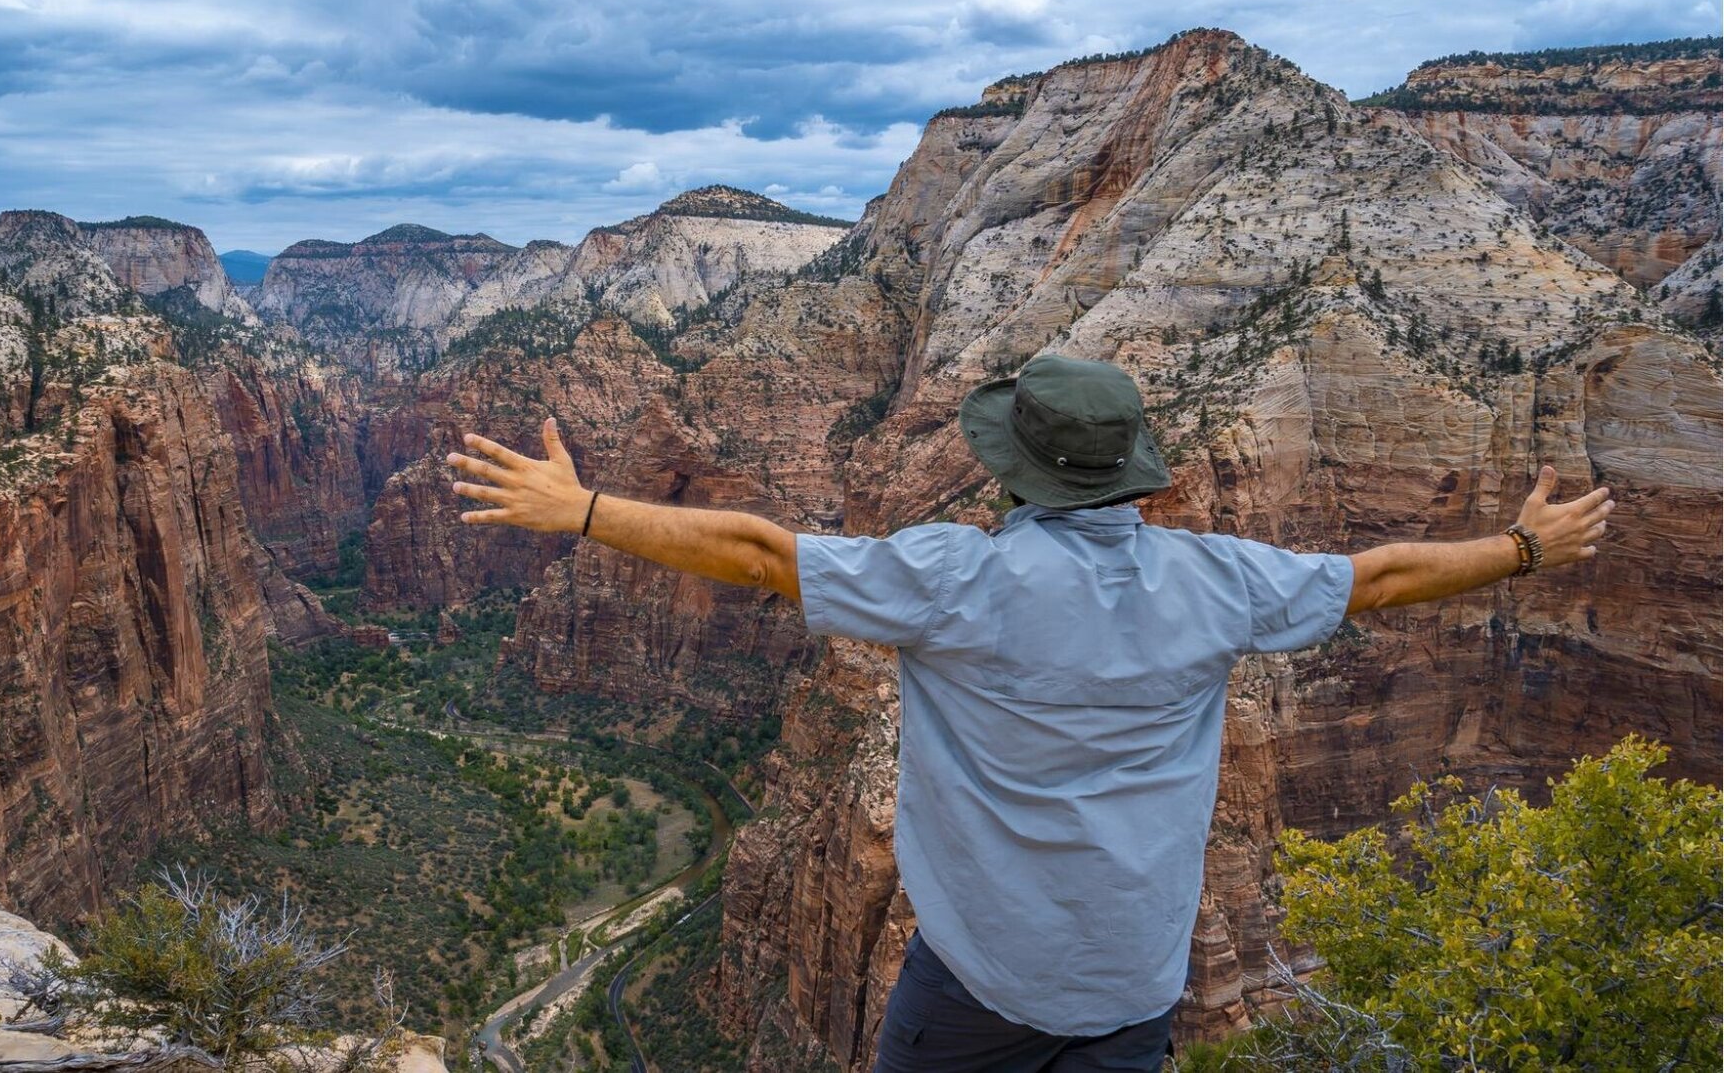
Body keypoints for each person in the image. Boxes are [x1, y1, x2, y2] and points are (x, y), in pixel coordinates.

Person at [445, 355, 1614, 1073]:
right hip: (1134, 990)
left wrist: (582, 506)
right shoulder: (1217, 581)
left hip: (975, 987)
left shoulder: (956, 579)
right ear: (1128, 471)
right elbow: (1385, 577)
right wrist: (1520, 547)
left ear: (1016, 471)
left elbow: (756, 552)